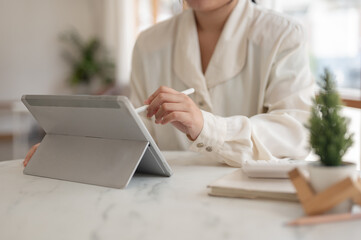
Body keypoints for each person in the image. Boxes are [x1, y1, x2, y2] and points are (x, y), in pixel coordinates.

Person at [24, 0, 314, 168]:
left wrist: (207, 127)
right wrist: (72, 152)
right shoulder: (150, 44)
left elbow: (296, 133)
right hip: (165, 209)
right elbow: (136, 136)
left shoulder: (283, 36)